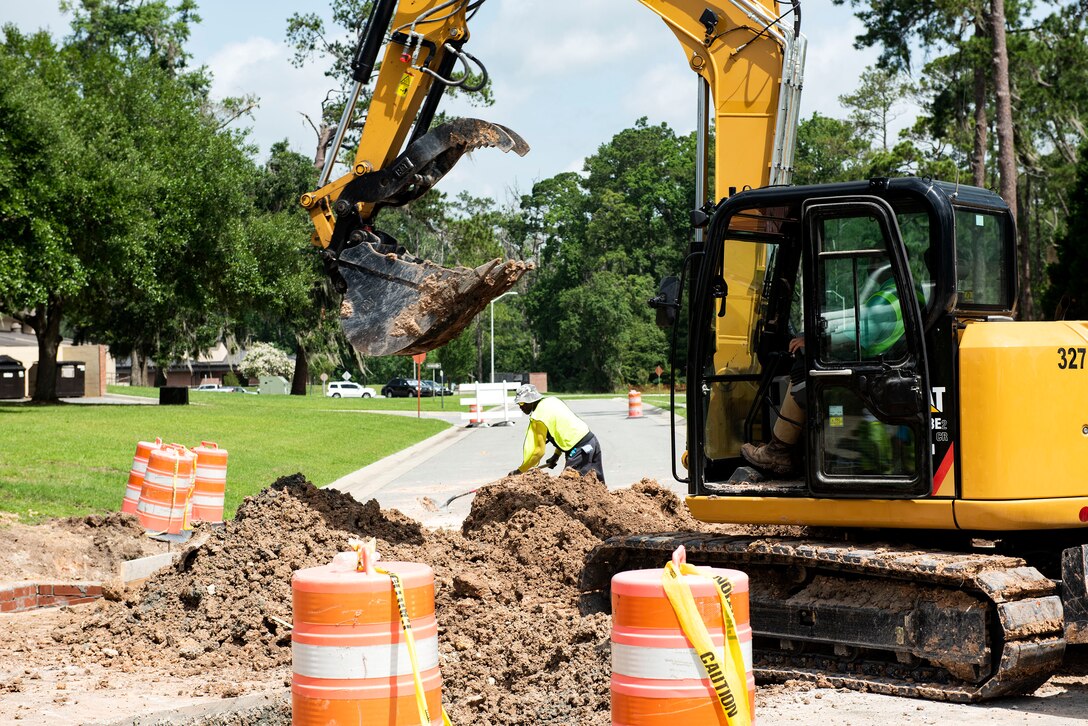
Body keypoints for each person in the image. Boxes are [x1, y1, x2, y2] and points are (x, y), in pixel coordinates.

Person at [507, 384, 605, 482]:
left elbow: (539, 451)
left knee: (569, 487)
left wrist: (521, 470)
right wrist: (556, 456)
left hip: (580, 450)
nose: (521, 407)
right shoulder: (552, 401)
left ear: (531, 400)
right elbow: (563, 432)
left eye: (522, 403)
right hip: (592, 441)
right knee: (598, 485)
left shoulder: (538, 417)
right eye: (519, 404)